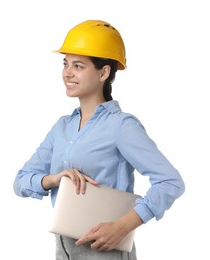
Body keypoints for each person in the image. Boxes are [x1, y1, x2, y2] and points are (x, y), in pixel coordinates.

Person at [13, 19, 185, 260]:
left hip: (106, 253)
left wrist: (122, 227)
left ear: (104, 72)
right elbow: (20, 182)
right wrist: (54, 179)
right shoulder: (62, 127)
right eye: (65, 64)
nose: (67, 73)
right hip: (64, 251)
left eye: (79, 66)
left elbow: (171, 182)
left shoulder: (121, 126)